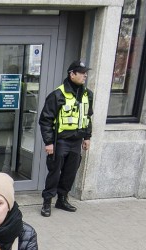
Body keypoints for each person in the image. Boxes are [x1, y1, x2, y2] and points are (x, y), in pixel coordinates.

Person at [38, 59, 94, 217]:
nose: (85, 76)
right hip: (60, 141)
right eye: (82, 73)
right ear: (72, 74)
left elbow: (87, 117)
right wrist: (49, 142)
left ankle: (62, 199)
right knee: (54, 173)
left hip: (76, 141)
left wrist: (87, 137)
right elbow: (45, 120)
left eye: (85, 74)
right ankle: (47, 202)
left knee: (70, 172)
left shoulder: (87, 94)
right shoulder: (57, 95)